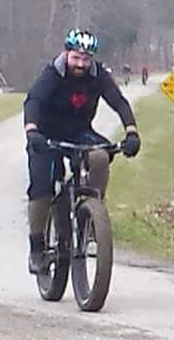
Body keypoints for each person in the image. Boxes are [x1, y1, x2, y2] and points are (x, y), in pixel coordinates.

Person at [23, 29, 142, 274]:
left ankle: (91, 214)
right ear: (67, 53)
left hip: (79, 131)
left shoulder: (98, 76)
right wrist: (32, 130)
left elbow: (119, 102)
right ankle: (37, 248)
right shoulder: (53, 74)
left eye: (86, 59)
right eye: (76, 58)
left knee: (99, 155)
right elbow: (33, 101)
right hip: (45, 136)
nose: (81, 64)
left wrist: (131, 132)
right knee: (42, 187)